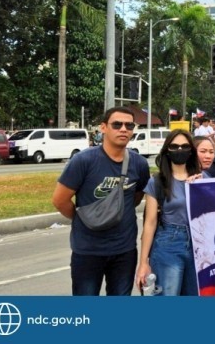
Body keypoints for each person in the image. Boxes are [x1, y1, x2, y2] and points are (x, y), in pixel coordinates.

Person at [52, 107, 151, 295]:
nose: (123, 129)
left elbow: (136, 198)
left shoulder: (139, 163)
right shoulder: (83, 160)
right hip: (88, 250)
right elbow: (60, 200)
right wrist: (83, 217)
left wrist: (116, 210)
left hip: (124, 250)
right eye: (117, 124)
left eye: (129, 125)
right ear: (103, 127)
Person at [135, 130, 201, 296]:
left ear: (191, 150)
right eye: (174, 146)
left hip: (199, 246)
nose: (180, 150)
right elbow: (150, 223)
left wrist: (203, 187)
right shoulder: (157, 181)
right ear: (167, 150)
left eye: (185, 146)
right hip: (169, 244)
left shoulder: (202, 179)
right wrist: (143, 263)